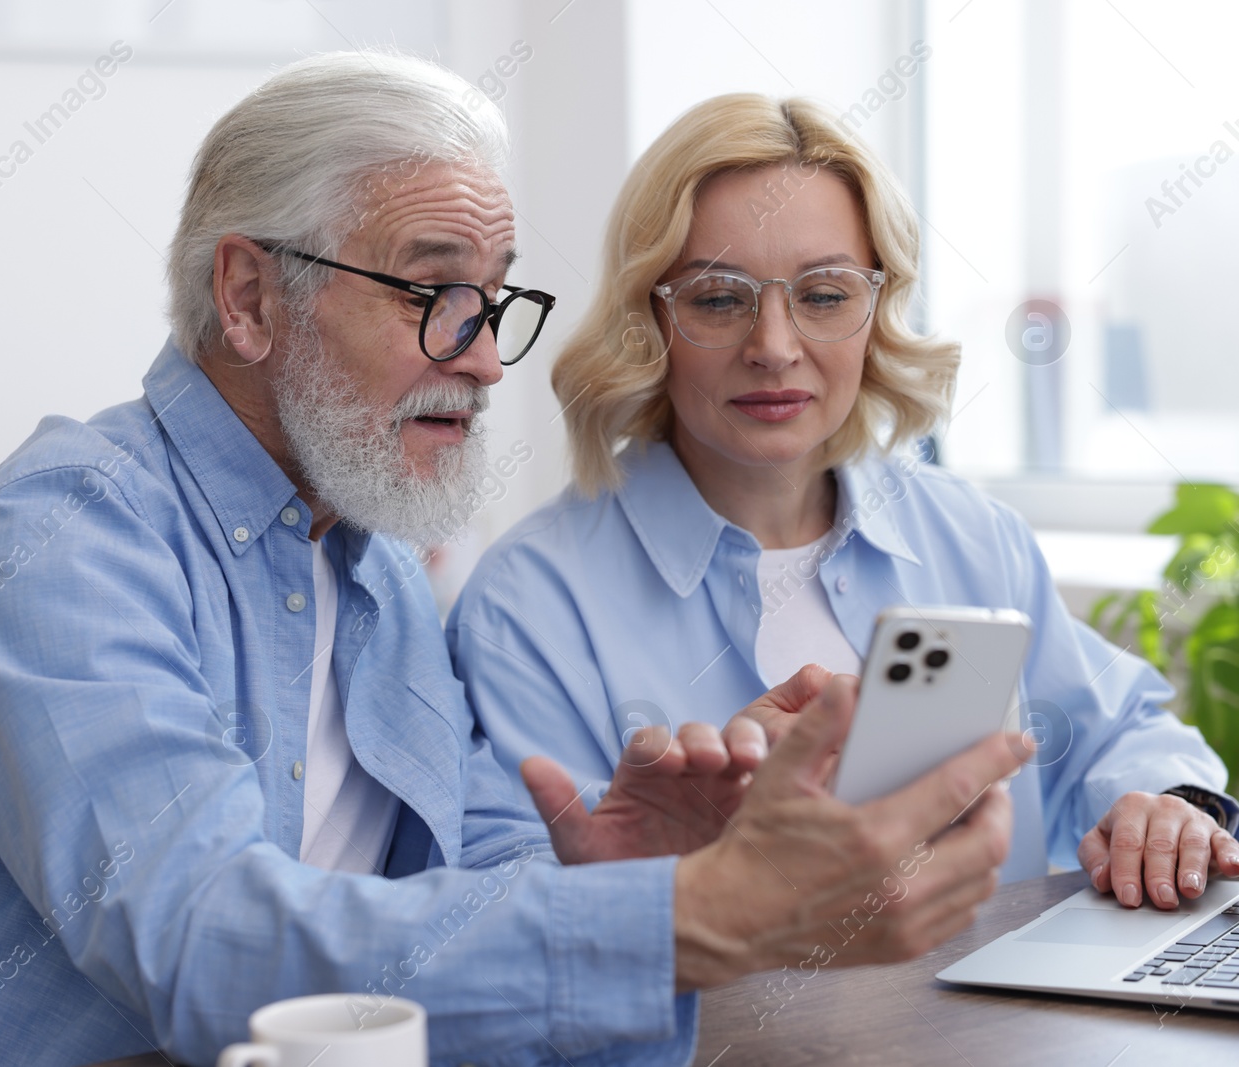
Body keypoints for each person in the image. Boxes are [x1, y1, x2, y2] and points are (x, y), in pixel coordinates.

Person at [0, 62, 1028, 1067]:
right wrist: (683, 919)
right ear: (250, 298)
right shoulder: (60, 533)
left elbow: (454, 904)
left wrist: (631, 872)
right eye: (434, 293)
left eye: (494, 302)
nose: (486, 359)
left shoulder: (375, 571)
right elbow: (205, 943)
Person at [448, 92, 1239, 914]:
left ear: (876, 310)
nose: (776, 348)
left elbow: (1122, 728)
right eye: (719, 299)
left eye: (824, 296)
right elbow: (504, 914)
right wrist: (690, 871)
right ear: (650, 320)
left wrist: (1168, 805)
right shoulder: (528, 604)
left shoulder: (971, 538)